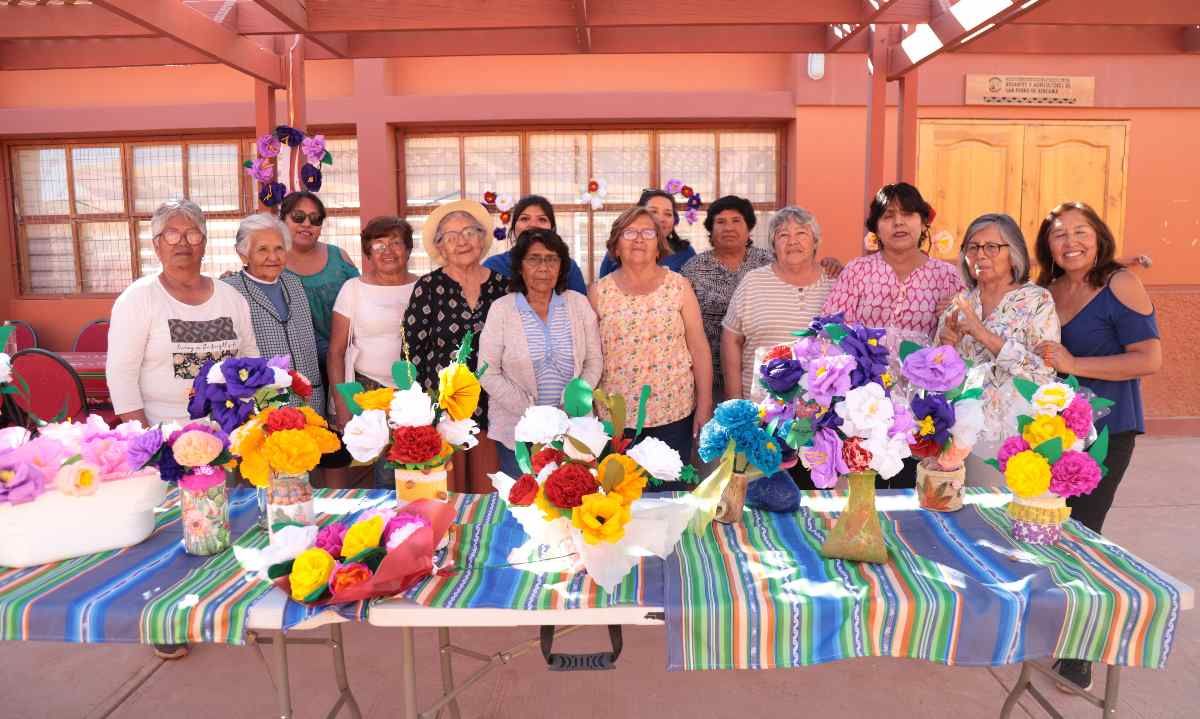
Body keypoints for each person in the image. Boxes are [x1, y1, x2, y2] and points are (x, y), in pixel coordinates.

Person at [106, 198, 257, 662]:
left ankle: (220, 610)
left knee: (220, 526)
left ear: (205, 242)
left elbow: (248, 363)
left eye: (192, 233)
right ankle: (166, 622)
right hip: (164, 438)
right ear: (156, 244)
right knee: (171, 534)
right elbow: (120, 375)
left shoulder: (231, 297)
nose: (183, 243)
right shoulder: (140, 298)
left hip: (223, 434)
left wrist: (246, 427)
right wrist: (147, 442)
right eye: (172, 234)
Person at [1031, 202, 1162, 694]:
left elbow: (1149, 359)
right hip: (1050, 433)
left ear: (1098, 236)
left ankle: (1082, 651)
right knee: (1048, 528)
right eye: (1058, 234)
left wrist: (1074, 361)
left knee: (1084, 534)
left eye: (1080, 231)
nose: (1070, 241)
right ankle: (1056, 622)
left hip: (1107, 430)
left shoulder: (1120, 283)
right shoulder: (1046, 290)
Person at [823, 183, 964, 488]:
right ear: (876, 226)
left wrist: (951, 318)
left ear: (923, 221)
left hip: (923, 405)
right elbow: (831, 330)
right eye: (888, 216)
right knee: (864, 488)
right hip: (864, 401)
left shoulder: (946, 276)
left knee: (912, 488)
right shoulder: (857, 271)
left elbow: (961, 340)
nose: (899, 222)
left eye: (908, 214)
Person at [935, 214, 1059, 486]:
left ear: (1013, 253)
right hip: (959, 434)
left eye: (992, 247)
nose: (981, 255)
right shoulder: (959, 305)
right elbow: (935, 380)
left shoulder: (1037, 301)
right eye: (973, 247)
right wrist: (946, 347)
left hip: (1014, 435)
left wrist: (981, 333)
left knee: (998, 519)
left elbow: (1042, 373)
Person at [589, 206, 713, 465]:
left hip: (674, 412)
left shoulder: (679, 286)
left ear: (659, 245)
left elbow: (699, 347)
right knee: (621, 497)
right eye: (629, 232)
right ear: (616, 246)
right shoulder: (599, 292)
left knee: (669, 497)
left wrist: (704, 402)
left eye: (647, 232)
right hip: (616, 419)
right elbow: (590, 357)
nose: (638, 239)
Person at [480, 228, 603, 477]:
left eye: (552, 259)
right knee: (523, 507)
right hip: (520, 431)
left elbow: (594, 360)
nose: (543, 267)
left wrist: (573, 402)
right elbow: (486, 372)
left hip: (575, 428)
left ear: (561, 266)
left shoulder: (577, 303)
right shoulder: (502, 309)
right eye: (534, 259)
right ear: (520, 266)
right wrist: (532, 412)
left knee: (573, 503)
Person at [404, 200, 508, 493]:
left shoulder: (503, 286)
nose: (462, 242)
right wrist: (419, 412)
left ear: (482, 238)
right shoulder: (427, 287)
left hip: (493, 405)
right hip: (443, 408)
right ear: (441, 247)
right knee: (445, 490)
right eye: (451, 237)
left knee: (489, 489)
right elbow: (411, 352)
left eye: (469, 232)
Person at [327, 217, 420, 488]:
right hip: (369, 392)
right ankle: (389, 523)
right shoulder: (353, 289)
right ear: (367, 253)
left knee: (415, 466)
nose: (388, 251)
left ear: (409, 249)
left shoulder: (424, 286)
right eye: (378, 245)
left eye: (395, 243)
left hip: (414, 394)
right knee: (385, 472)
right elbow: (335, 351)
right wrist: (342, 405)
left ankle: (417, 521)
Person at [721, 206, 835, 401]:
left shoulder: (835, 283)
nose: (793, 241)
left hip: (821, 408)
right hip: (760, 407)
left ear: (815, 241)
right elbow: (731, 340)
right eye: (783, 235)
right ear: (773, 244)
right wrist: (735, 400)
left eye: (801, 233)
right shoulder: (753, 282)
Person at [221, 213, 324, 416]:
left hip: (310, 399)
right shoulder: (230, 290)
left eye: (279, 248)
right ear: (243, 254)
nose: (273, 257)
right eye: (262, 250)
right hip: (264, 404)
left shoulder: (294, 283)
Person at [680, 195, 773, 399]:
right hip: (708, 376)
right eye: (720, 222)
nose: (728, 228)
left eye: (736, 220)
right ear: (710, 230)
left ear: (749, 228)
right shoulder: (694, 269)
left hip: (763, 374)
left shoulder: (769, 262)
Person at [278, 192, 359, 404]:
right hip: (297, 366)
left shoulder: (338, 257)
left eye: (315, 219)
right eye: (298, 217)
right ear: (282, 219)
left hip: (347, 360)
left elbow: (361, 297)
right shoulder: (273, 261)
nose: (307, 224)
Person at [481, 195, 588, 293]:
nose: (533, 225)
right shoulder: (494, 266)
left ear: (553, 229)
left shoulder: (568, 267)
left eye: (542, 219)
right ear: (513, 228)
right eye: (524, 219)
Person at [597, 188, 696, 277]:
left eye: (668, 214)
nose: (661, 219)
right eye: (653, 212)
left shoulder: (686, 252)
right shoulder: (620, 248)